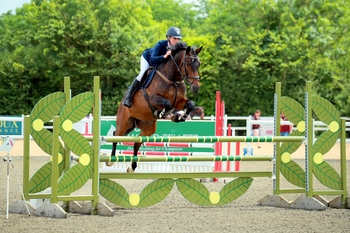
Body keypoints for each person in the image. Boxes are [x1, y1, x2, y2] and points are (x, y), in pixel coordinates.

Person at [123, 26, 183, 108]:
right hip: (148, 58)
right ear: (168, 37)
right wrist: (164, 56)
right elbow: (152, 60)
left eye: (178, 39)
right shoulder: (160, 44)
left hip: (160, 65)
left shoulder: (177, 49)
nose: (177, 41)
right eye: (175, 38)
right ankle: (129, 96)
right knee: (143, 73)